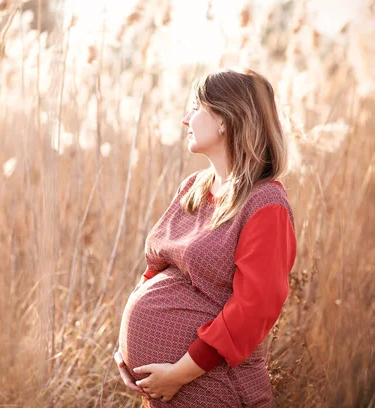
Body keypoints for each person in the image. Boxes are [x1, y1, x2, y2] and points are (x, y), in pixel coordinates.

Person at [115, 68, 297, 407]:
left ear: (225, 119)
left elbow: (253, 309)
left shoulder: (265, 203)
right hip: (167, 387)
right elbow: (156, 269)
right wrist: (126, 352)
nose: (186, 119)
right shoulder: (194, 187)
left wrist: (180, 373)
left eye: (196, 107)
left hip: (217, 388)